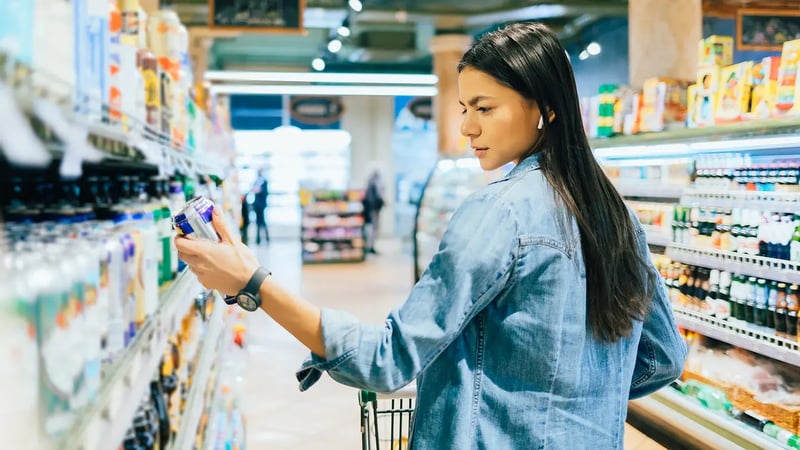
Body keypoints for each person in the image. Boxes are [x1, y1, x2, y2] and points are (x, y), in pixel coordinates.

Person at [175, 22, 687, 449]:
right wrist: (571, 405)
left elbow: (389, 360)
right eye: (464, 108)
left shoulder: (499, 210)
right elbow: (664, 358)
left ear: (545, 109)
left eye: (485, 108)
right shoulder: (615, 213)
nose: (466, 127)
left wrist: (253, 282)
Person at [362, 169, 385, 254]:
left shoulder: (369, 182)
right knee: (374, 228)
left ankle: (370, 246)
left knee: (371, 228)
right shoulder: (376, 183)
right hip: (374, 209)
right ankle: (371, 246)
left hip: (370, 209)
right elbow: (379, 196)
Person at [251, 169, 269, 245]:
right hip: (256, 205)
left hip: (262, 205)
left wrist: (258, 190)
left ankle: (267, 238)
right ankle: (258, 239)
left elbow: (265, 192)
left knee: (263, 222)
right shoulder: (256, 181)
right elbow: (252, 189)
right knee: (258, 222)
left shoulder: (264, 182)